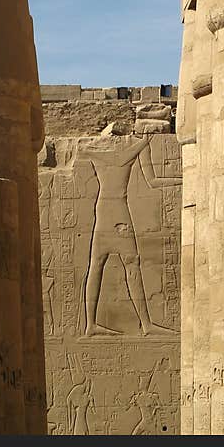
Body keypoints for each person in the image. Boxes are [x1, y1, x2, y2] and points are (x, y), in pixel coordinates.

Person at [77, 135, 180, 336]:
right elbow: (119, 159)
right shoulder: (128, 148)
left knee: (101, 264)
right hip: (116, 213)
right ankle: (142, 324)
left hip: (107, 210)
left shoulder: (101, 152)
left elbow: (152, 180)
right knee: (123, 264)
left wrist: (180, 179)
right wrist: (142, 143)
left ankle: (95, 324)